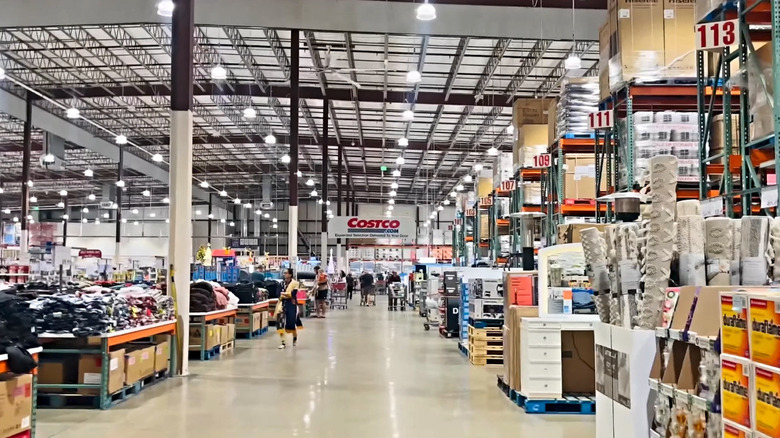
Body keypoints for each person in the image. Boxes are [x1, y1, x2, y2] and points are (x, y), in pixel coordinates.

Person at [276, 268, 303, 349]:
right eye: (284, 273)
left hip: (292, 304)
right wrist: (286, 294)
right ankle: (283, 342)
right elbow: (278, 293)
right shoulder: (281, 283)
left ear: (290, 274)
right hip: (281, 304)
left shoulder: (295, 283)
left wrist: (284, 294)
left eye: (286, 273)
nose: (285, 274)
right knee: (280, 323)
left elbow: (293, 294)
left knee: (291, 322)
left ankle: (294, 337)